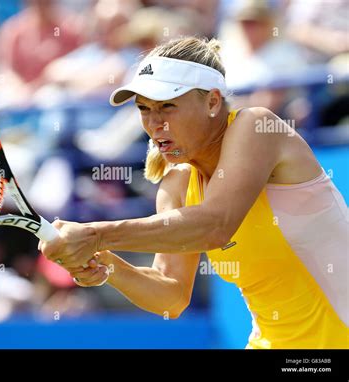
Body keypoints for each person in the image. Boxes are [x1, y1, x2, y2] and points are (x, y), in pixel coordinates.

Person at [40, 36, 348, 349]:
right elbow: (170, 297)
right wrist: (106, 263)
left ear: (213, 101)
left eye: (167, 106)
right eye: (144, 109)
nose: (154, 122)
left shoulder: (256, 126)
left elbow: (216, 224)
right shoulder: (175, 185)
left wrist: (94, 234)